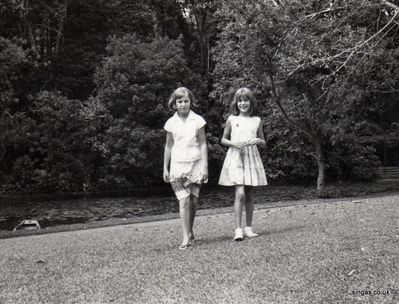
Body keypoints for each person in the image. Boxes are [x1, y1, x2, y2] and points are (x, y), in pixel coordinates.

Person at [218, 87, 267, 241]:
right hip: (236, 157)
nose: (243, 103)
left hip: (251, 158)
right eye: (240, 100)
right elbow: (223, 139)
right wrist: (234, 143)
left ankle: (249, 228)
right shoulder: (232, 119)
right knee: (240, 193)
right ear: (236, 103)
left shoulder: (257, 120)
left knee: (250, 194)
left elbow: (264, 142)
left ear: (250, 102)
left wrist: (258, 141)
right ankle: (238, 229)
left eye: (245, 100)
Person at [163, 87, 208, 249]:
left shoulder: (198, 120)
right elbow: (168, 146)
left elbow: (203, 143)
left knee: (193, 200)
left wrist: (205, 166)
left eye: (186, 101)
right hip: (177, 166)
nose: (183, 104)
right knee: (183, 201)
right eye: (180, 101)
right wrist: (165, 168)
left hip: (195, 165)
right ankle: (185, 238)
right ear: (174, 104)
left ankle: (189, 231)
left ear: (191, 102)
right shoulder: (171, 123)